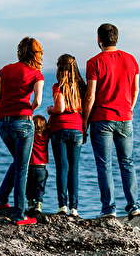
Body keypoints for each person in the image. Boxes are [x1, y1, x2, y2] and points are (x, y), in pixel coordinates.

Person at [82, 23, 140, 218]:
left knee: (104, 165)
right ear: (116, 38)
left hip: (101, 119)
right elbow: (135, 90)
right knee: (127, 163)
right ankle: (133, 206)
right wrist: (129, 108)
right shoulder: (131, 59)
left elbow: (90, 96)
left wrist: (85, 121)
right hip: (125, 118)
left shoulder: (94, 62)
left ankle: (109, 209)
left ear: (99, 39)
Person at [0, 37, 44, 225]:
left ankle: (1, 201)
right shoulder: (36, 74)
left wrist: (5, 115)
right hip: (23, 122)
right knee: (23, 167)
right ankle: (20, 215)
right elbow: (37, 101)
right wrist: (28, 112)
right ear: (37, 54)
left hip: (3, 123)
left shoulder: (5, 70)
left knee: (18, 161)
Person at [47, 54, 86, 216]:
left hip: (59, 129)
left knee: (62, 169)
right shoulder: (81, 87)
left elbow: (60, 108)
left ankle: (62, 206)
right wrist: (85, 129)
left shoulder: (58, 87)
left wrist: (50, 109)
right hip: (77, 128)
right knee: (74, 170)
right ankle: (74, 208)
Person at [28, 115, 50, 213]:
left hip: (30, 166)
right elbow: (49, 128)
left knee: (29, 186)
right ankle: (38, 204)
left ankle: (30, 203)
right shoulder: (46, 137)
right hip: (41, 167)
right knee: (40, 186)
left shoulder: (31, 137)